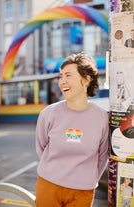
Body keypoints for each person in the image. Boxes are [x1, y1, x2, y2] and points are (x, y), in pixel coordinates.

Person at [35, 52, 109, 207]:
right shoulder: (48, 113)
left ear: (87, 79)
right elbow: (41, 147)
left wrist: (88, 179)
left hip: (83, 190)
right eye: (61, 76)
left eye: (68, 76)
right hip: (48, 184)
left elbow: (102, 156)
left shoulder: (102, 118)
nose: (62, 82)